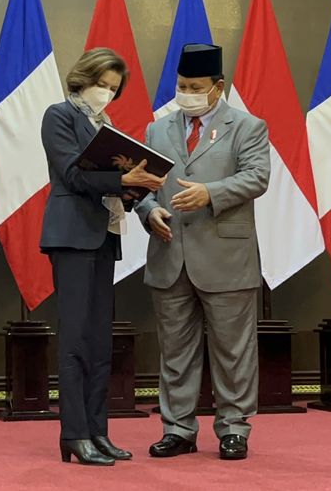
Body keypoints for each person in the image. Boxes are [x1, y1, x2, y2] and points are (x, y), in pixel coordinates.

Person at [135, 43, 271, 460]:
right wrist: (149, 211)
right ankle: (178, 429)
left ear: (218, 87)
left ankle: (234, 428)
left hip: (225, 257)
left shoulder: (248, 127)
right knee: (175, 350)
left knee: (233, 349)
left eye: (195, 86)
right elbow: (142, 185)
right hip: (170, 253)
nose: (186, 93)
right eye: (181, 86)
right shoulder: (157, 129)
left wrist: (210, 193)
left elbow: (257, 177)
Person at [40, 47, 166, 466]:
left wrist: (137, 188)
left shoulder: (105, 125)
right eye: (101, 85)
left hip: (103, 236)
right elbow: (73, 175)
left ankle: (99, 431)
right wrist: (120, 178)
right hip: (72, 236)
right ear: (82, 79)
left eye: (113, 89)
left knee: (99, 342)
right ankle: (74, 433)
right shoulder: (58, 115)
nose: (106, 95)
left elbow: (110, 184)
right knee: (75, 338)